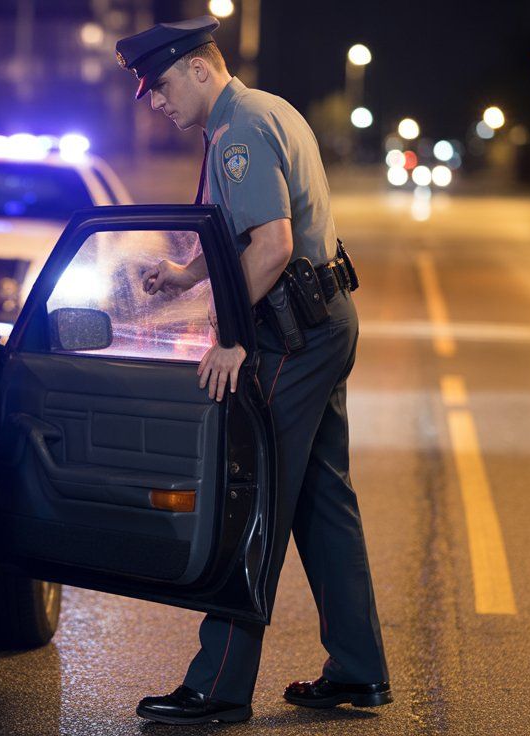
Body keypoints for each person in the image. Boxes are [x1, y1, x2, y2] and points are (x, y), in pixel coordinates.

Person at [114, 16, 391, 725]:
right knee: (323, 503)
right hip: (323, 322)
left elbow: (270, 246)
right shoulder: (258, 113)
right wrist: (182, 278)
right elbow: (237, 235)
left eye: (163, 84)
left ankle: (219, 686)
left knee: (253, 503)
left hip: (290, 337)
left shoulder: (237, 133)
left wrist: (233, 338)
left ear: (201, 69)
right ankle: (357, 673)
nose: (155, 101)